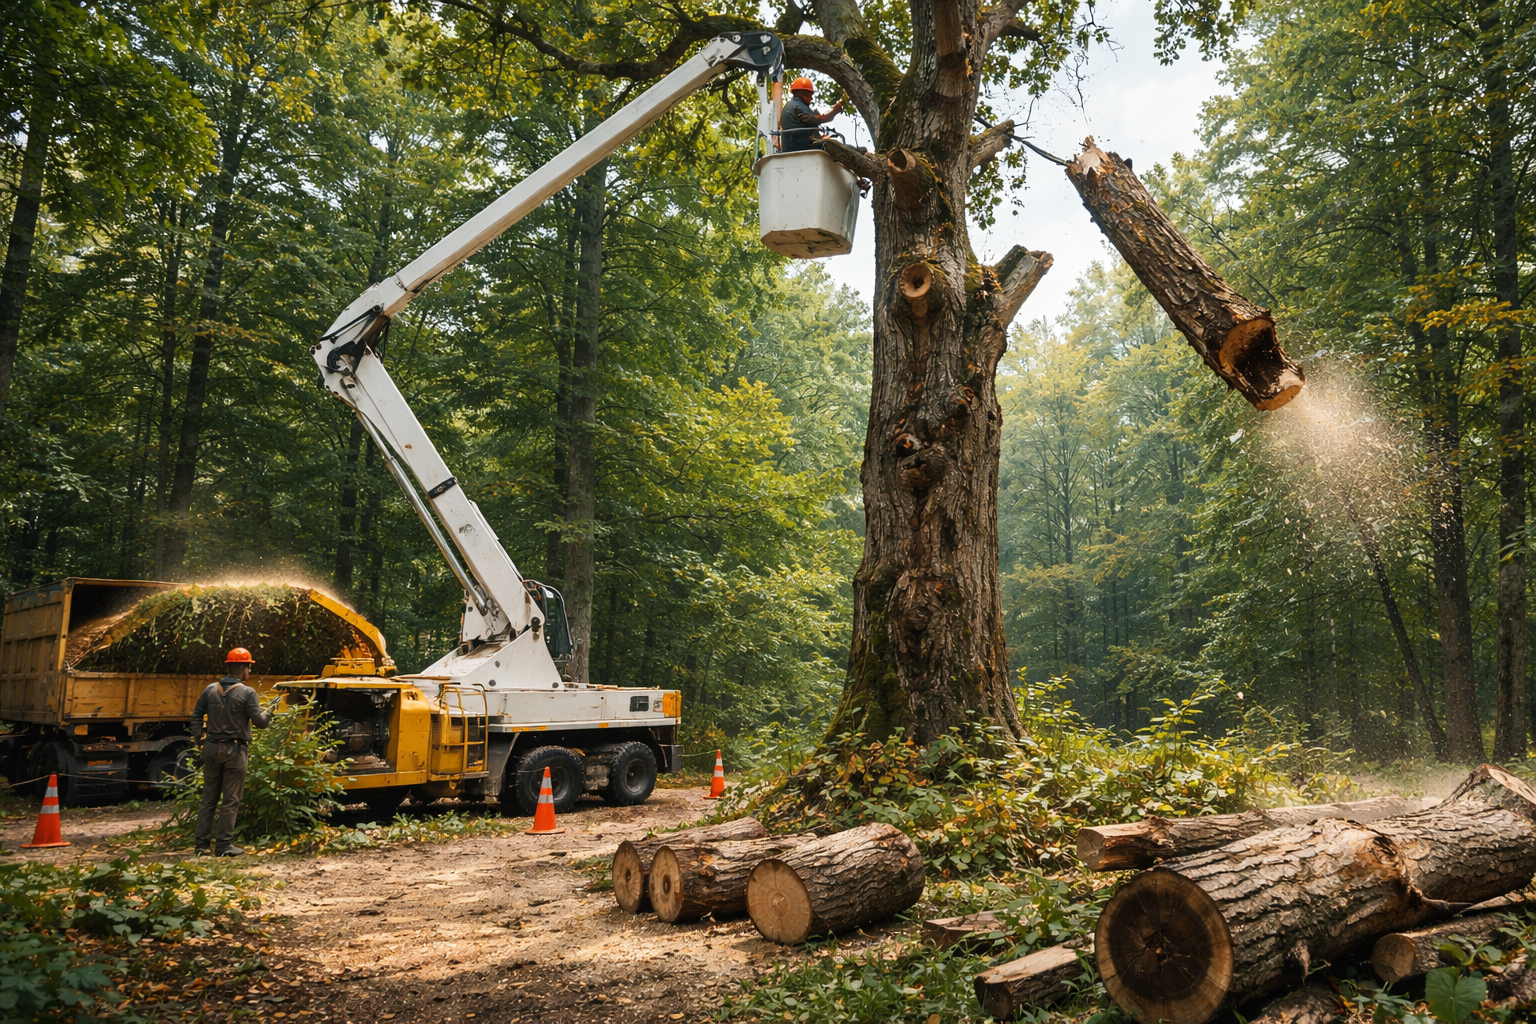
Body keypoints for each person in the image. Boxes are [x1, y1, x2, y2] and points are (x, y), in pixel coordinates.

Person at [190, 647, 271, 856]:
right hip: (234, 750)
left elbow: (196, 716)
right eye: (249, 668)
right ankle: (224, 846)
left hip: (210, 748)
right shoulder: (247, 692)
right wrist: (268, 713)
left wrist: (201, 739)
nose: (250, 672)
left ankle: (201, 846)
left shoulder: (210, 689)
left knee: (208, 798)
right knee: (230, 799)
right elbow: (260, 723)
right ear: (243, 668)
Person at [780, 77, 843, 152]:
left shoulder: (789, 106)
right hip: (804, 148)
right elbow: (817, 120)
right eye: (810, 95)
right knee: (847, 148)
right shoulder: (798, 107)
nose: (811, 99)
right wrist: (834, 111)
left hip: (793, 148)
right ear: (804, 93)